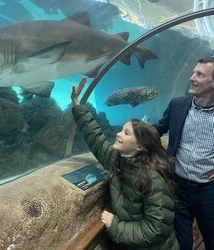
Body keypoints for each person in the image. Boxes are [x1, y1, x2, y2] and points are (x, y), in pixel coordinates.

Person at [71, 76, 179, 250]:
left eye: (126, 133)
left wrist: (115, 225)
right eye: (121, 130)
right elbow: (96, 139)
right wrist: (77, 104)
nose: (118, 134)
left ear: (140, 146)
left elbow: (156, 229)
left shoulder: (153, 179)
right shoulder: (118, 159)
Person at [153, 57, 214, 250]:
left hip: (208, 191)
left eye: (199, 74)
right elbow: (157, 129)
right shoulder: (177, 105)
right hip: (179, 187)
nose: (191, 77)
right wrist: (132, 133)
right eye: (193, 72)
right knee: (182, 243)